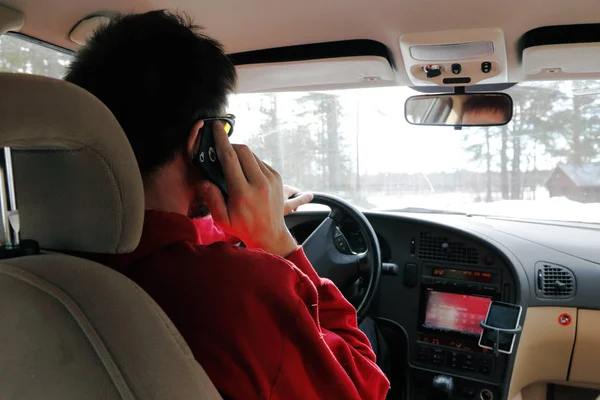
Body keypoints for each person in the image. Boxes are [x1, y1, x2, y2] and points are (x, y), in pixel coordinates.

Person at [65, 10, 390, 400]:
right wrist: (276, 243)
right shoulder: (244, 289)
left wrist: (234, 225)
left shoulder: (42, 264)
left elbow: (159, 238)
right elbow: (364, 387)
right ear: (203, 141)